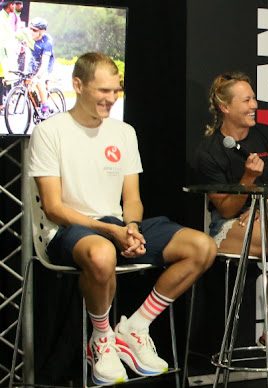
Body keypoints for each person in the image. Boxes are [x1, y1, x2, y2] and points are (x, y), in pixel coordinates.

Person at [27, 52, 216, 385]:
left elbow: (132, 199)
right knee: (103, 253)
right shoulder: (48, 131)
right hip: (68, 230)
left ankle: (135, 327)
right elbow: (54, 208)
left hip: (115, 225)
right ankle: (101, 339)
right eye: (103, 91)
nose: (111, 99)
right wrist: (111, 232)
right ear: (78, 85)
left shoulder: (124, 132)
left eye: (116, 90)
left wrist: (129, 228)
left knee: (202, 247)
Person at [193, 71, 268, 361]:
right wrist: (248, 178)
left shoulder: (266, 134)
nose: (254, 105)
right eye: (246, 100)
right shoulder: (209, 151)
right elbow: (224, 209)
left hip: (265, 215)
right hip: (228, 226)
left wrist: (261, 207)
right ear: (225, 107)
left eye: (254, 98)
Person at [27, 17, 55, 116]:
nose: (31, 31)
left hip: (45, 63)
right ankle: (37, 105)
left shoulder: (47, 42)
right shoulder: (28, 35)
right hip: (33, 62)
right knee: (27, 83)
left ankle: (45, 108)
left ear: (42, 32)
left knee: (39, 82)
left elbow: (44, 64)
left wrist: (37, 77)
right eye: (30, 28)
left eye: (34, 30)